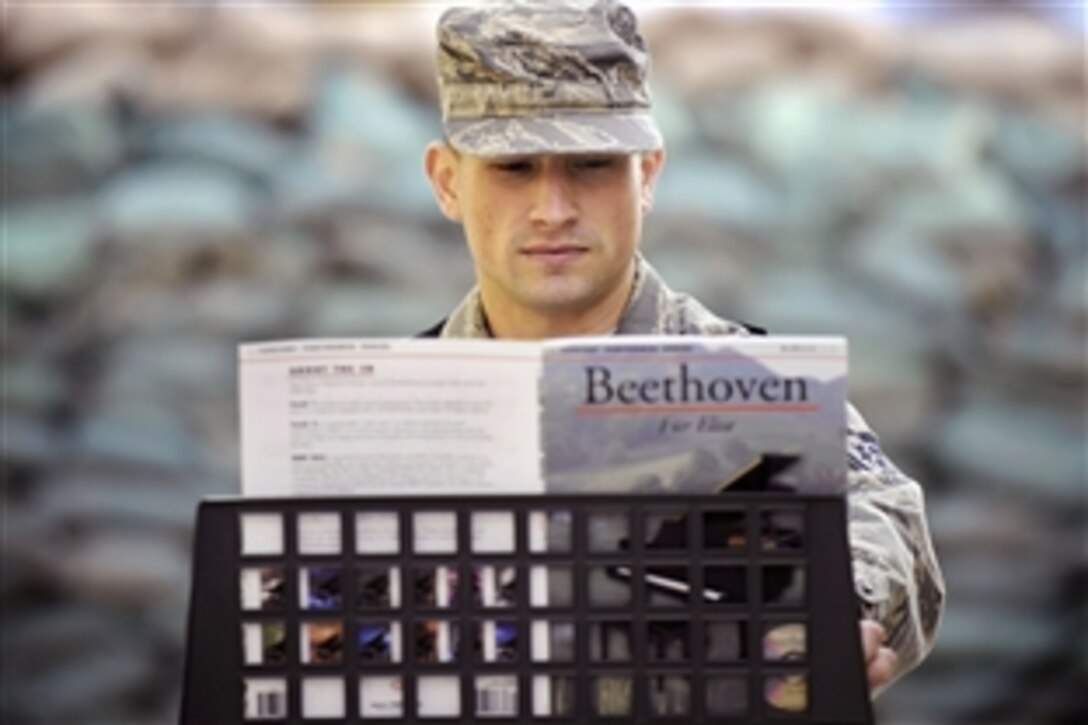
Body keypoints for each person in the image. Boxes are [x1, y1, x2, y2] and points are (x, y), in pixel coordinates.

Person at [421, 0, 944, 693]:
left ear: (649, 175)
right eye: (513, 167)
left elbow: (880, 519)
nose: (552, 208)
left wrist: (834, 607)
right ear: (448, 181)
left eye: (592, 165)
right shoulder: (395, 401)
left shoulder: (744, 382)